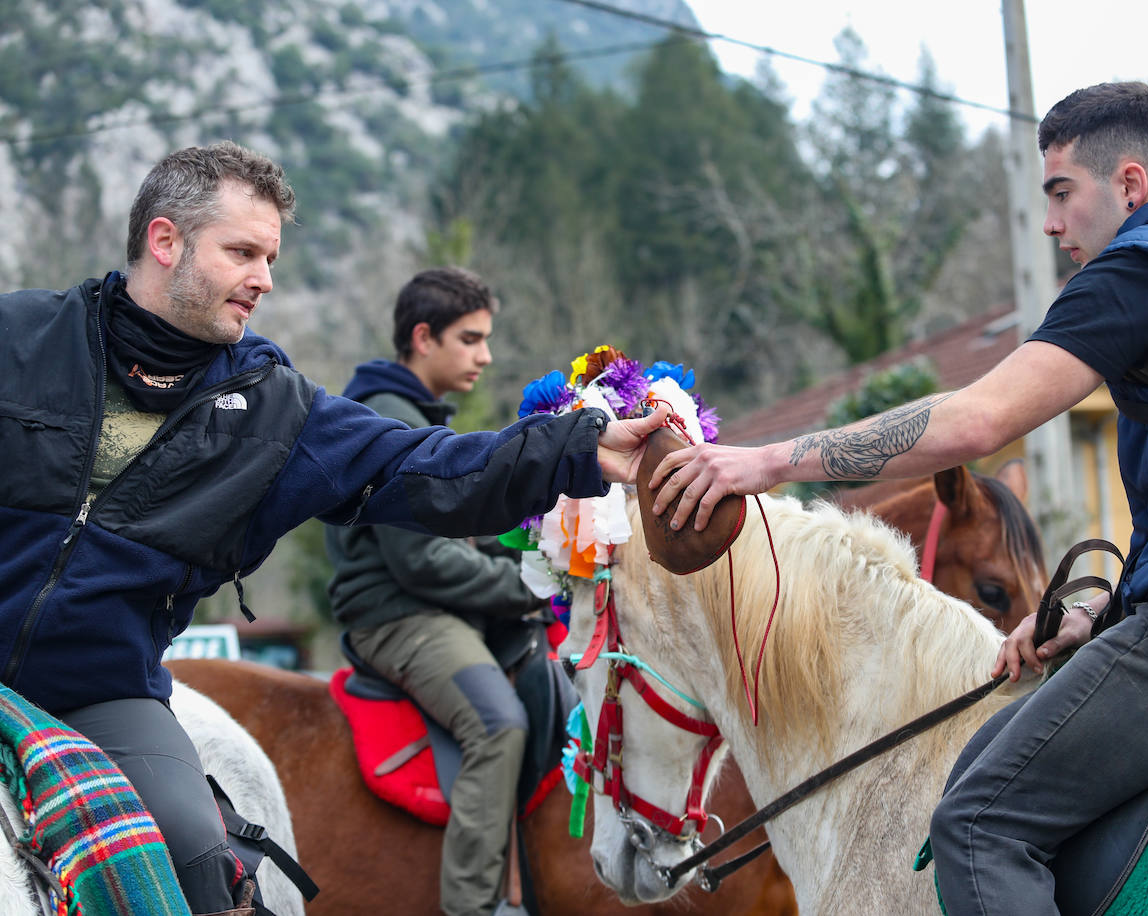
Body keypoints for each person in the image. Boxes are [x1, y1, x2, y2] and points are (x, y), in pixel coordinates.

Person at [646, 81, 1148, 913]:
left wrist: (767, 462)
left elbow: (977, 420)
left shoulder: (1141, 268)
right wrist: (1101, 615)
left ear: (1130, 187)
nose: (1052, 224)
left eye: (1062, 193)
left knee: (977, 820)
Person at [0, 141, 666, 916]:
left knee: (200, 861)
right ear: (165, 240)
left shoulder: (274, 411)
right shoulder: (20, 337)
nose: (264, 280)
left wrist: (579, 448)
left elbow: (436, 468)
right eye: (242, 251)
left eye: (271, 257)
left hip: (102, 693)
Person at [324, 267, 543, 916]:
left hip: (426, 605)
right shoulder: (390, 420)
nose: (486, 355)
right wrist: (530, 587)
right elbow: (421, 561)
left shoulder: (410, 413)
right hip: (402, 616)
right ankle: (474, 908)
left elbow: (463, 536)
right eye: (471, 339)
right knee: (500, 726)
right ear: (423, 338)